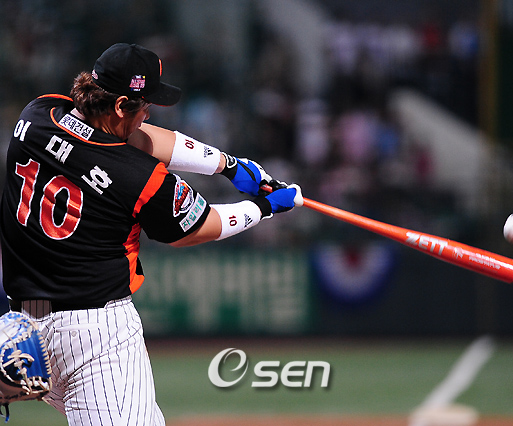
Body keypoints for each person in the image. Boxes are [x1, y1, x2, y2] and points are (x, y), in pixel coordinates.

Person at [0, 43, 301, 425]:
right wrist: (264, 208)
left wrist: (227, 164)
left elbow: (134, 137)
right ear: (120, 105)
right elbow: (201, 226)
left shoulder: (37, 116)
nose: (148, 114)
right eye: (144, 106)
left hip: (24, 331)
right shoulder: (138, 176)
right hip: (95, 337)